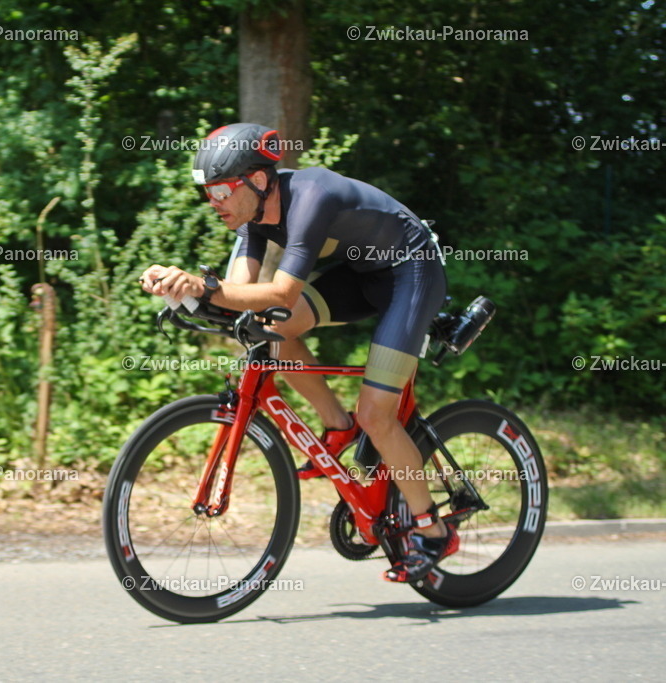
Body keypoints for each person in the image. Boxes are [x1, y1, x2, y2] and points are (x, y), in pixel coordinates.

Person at [139, 122, 458, 583]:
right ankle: (337, 426)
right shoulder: (251, 220)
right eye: (209, 191)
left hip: (411, 272)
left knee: (378, 415)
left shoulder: (312, 196)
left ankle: (432, 529)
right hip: (362, 274)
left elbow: (284, 293)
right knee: (271, 327)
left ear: (260, 179)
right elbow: (238, 295)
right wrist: (181, 289)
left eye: (223, 189)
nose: (214, 201)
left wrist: (204, 286)